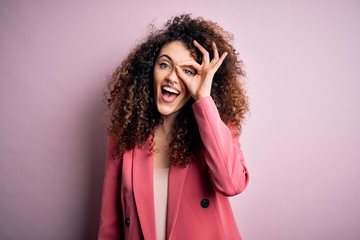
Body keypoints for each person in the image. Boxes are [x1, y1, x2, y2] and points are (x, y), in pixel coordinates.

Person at [98, 13, 250, 240]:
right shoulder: (124, 136)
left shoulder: (218, 128)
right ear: (150, 70)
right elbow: (110, 226)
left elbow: (231, 184)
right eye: (164, 64)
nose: (172, 77)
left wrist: (203, 100)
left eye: (187, 71)